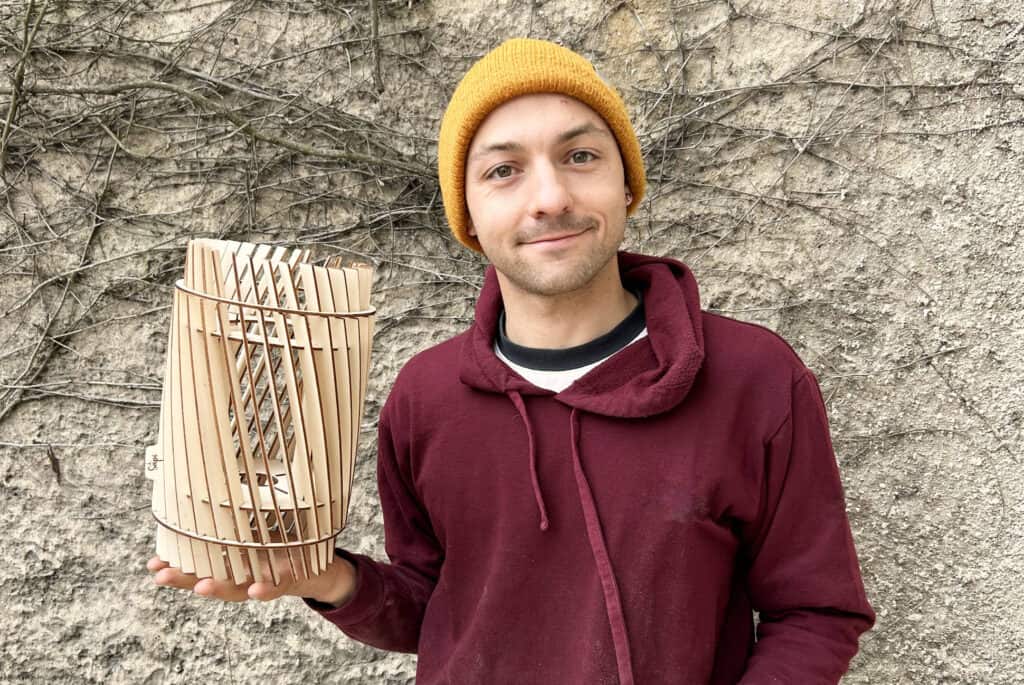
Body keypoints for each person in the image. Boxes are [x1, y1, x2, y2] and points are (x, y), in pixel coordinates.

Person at [150, 37, 875, 684]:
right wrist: (328, 578)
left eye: (580, 156)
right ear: (466, 214)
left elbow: (817, 612)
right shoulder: (425, 396)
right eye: (504, 170)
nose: (550, 198)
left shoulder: (752, 377)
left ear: (626, 183)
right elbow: (436, 607)